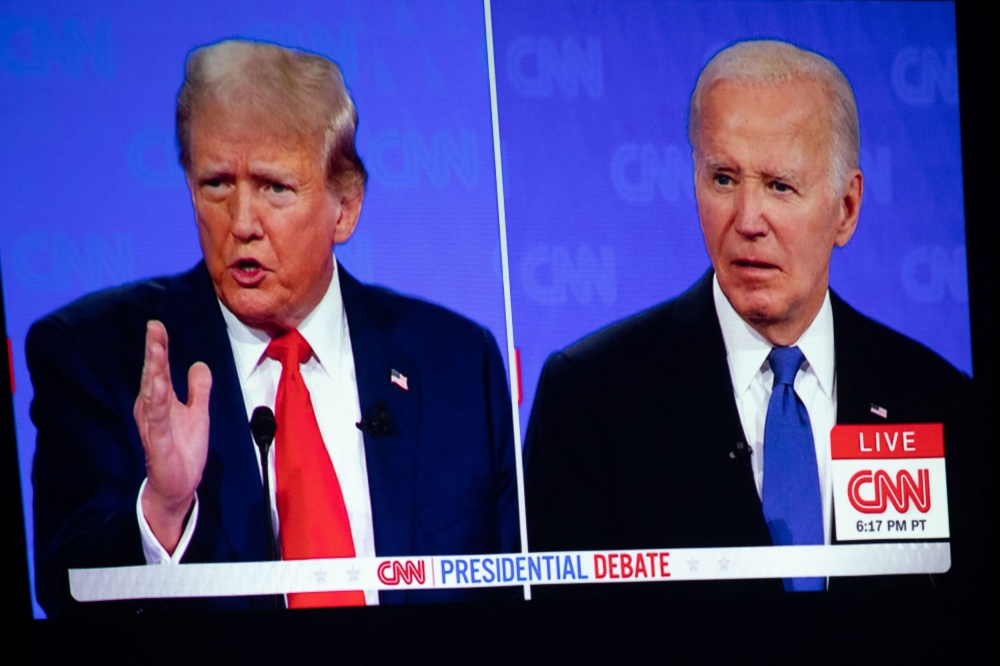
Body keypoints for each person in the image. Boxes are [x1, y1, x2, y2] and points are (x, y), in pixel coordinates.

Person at [28, 40, 519, 617]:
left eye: (274, 187)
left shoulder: (457, 363)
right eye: (216, 184)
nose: (241, 223)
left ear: (345, 206)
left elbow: (516, 598)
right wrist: (163, 509)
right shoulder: (98, 356)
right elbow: (69, 594)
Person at [524, 40, 975, 596]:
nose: (747, 220)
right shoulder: (590, 398)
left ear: (847, 208)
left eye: (780, 186)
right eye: (723, 180)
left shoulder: (936, 400)